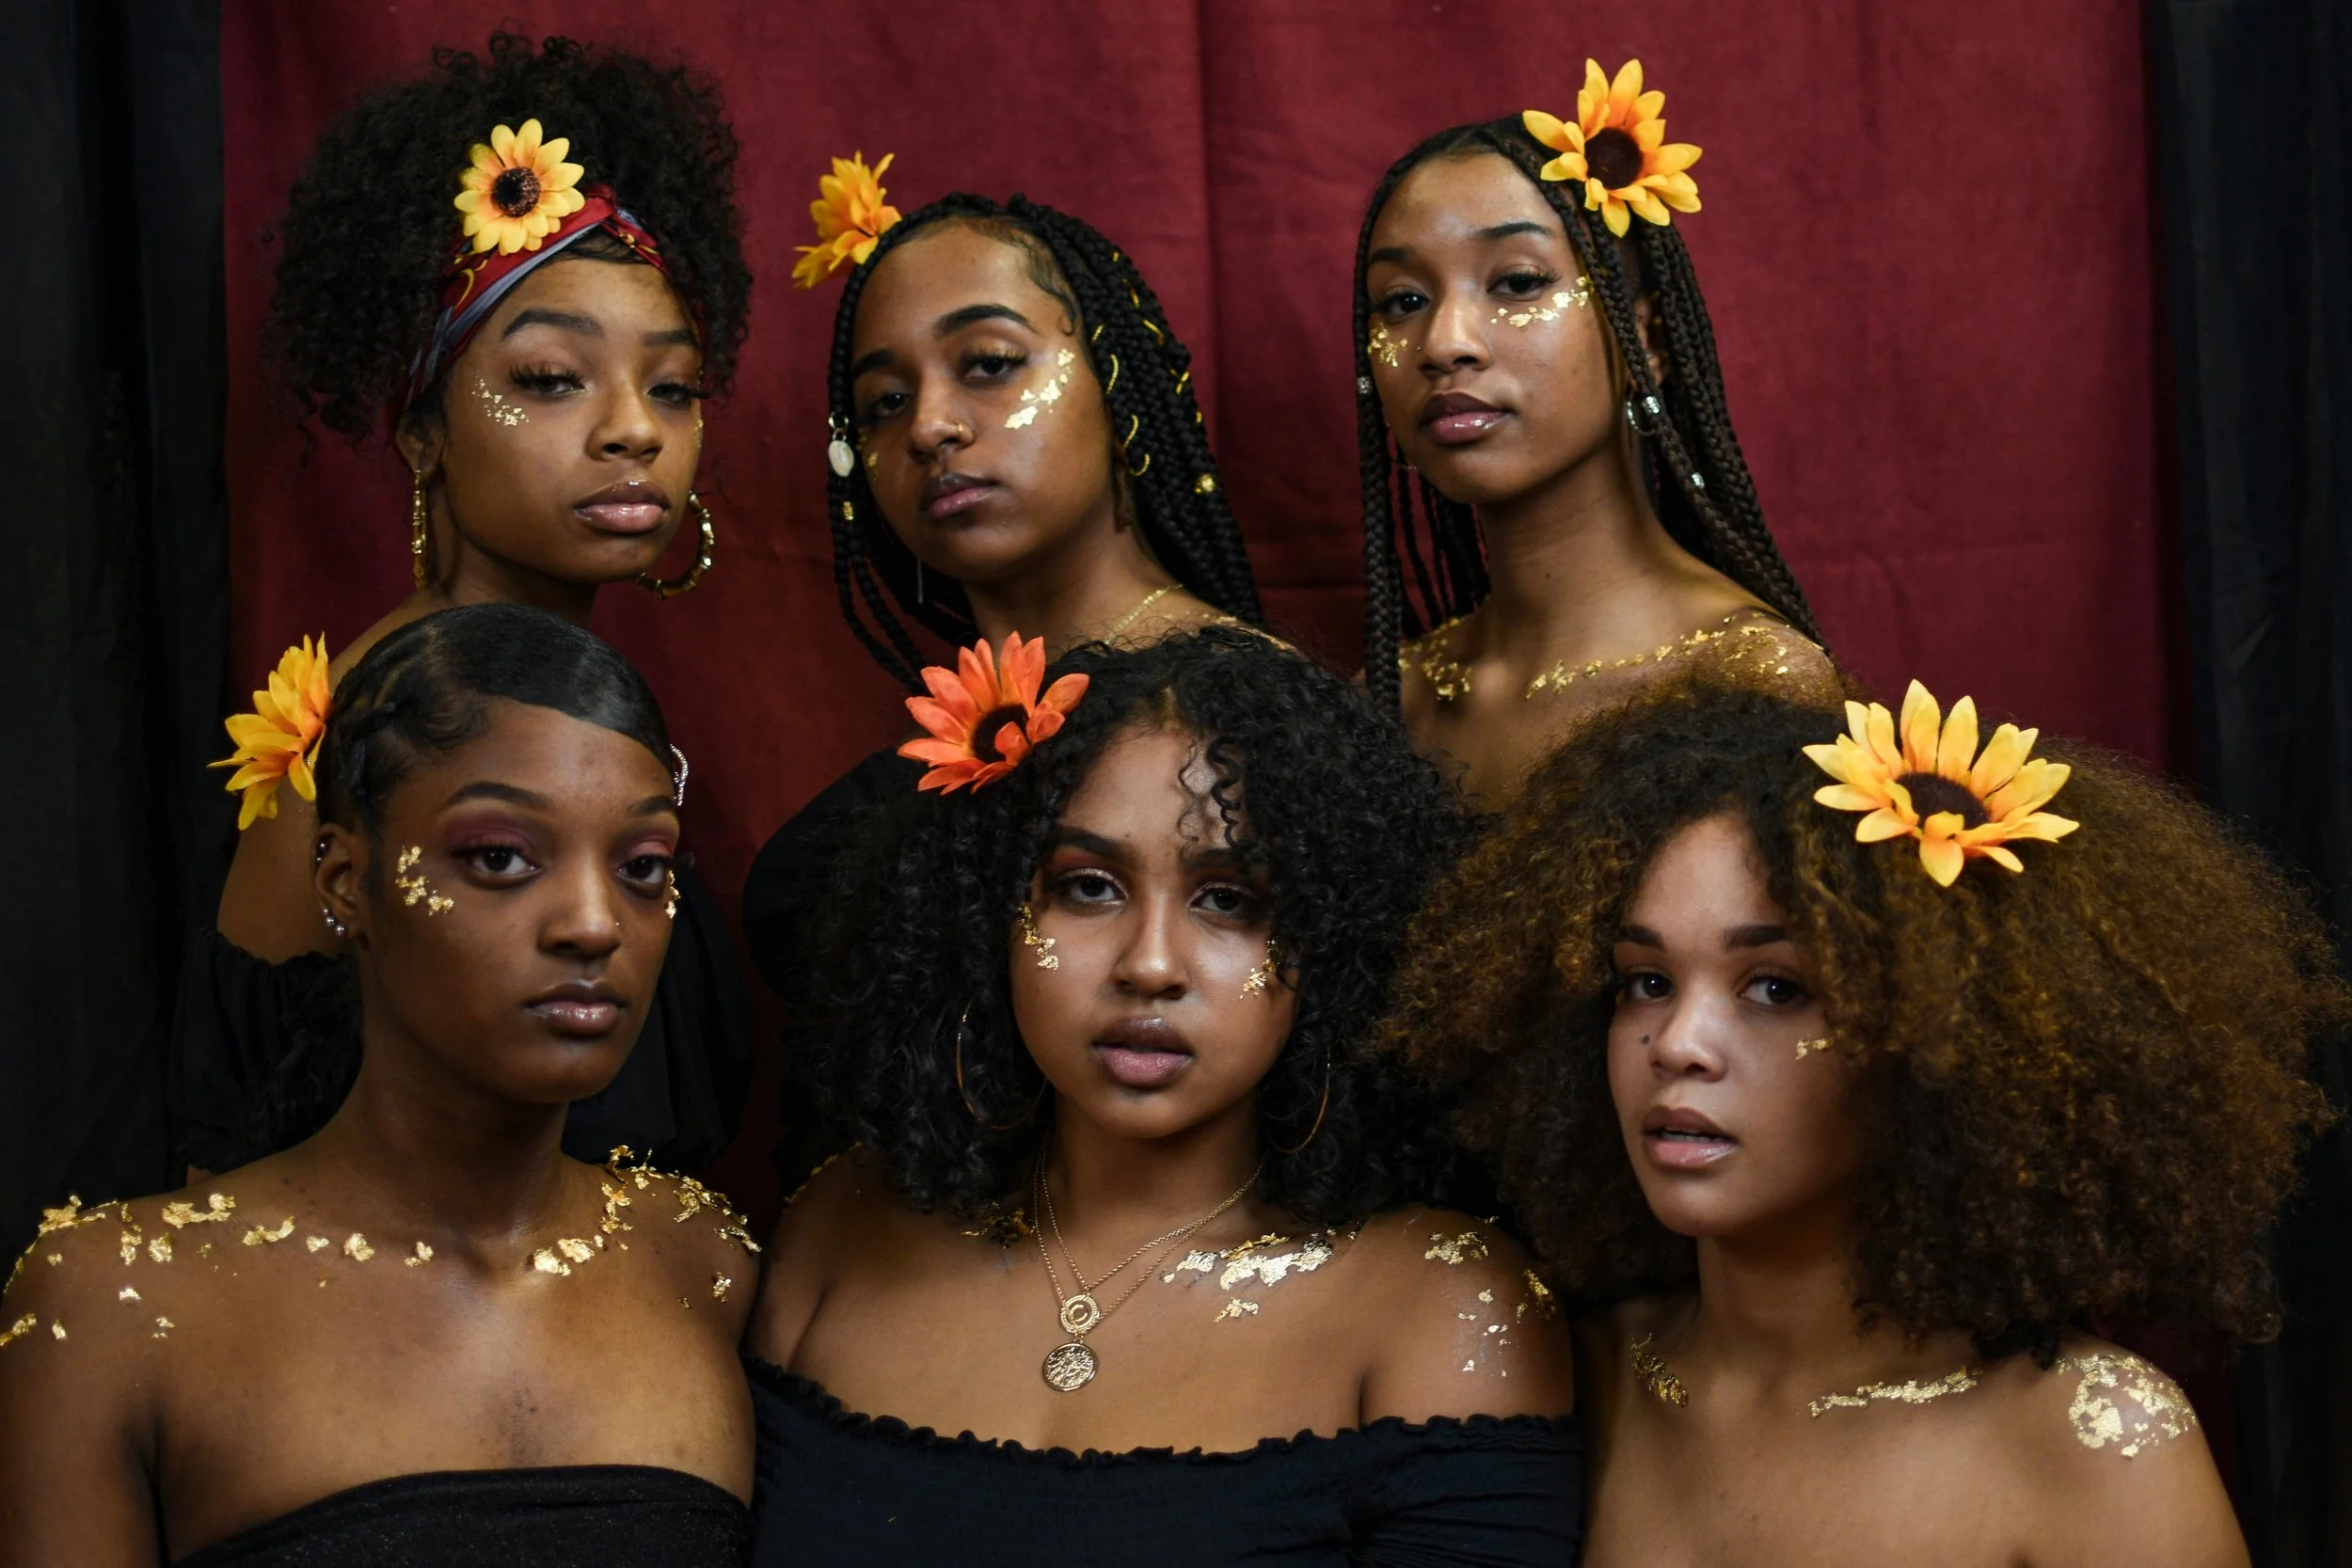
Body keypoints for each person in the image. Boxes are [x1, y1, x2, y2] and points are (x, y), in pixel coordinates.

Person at [1385, 676, 2343, 1564]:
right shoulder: (1554, 1375)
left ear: (1942, 1040)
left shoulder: (2094, 1441)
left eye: (1775, 987)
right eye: (1646, 980)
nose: (1677, 1044)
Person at [744, 628, 1581, 1564]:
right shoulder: (839, 1227)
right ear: (985, 920)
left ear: (1336, 947)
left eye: (1228, 899)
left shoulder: (1445, 1310)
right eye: (1088, 887)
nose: (1149, 964)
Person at [2, 605, 761, 1566]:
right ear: (345, 879)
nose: (592, 923)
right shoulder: (112, 1301)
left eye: (642, 866)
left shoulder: (702, 1259)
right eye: (499, 857)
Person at [182, 31, 752, 1175]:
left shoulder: (581, 700)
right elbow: (231, 1159)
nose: (634, 429)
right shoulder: (350, 736)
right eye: (551, 379)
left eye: (673, 386)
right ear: (422, 432)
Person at [743, 164, 1263, 1085]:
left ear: (1116, 380)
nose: (930, 426)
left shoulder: (1257, 714)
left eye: (987, 363)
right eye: (884, 402)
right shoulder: (922, 772)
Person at [1352, 60, 1838, 806]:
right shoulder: (1396, 699)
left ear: (1647, 339)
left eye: (1517, 283)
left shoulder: (1745, 681)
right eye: (1404, 300)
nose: (1444, 343)